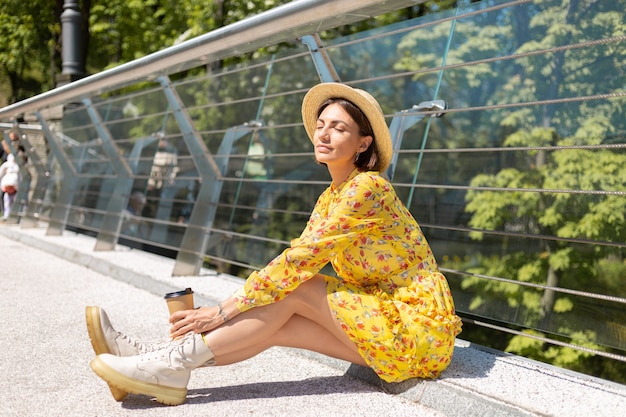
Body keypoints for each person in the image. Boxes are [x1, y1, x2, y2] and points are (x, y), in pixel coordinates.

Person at [86, 83, 462, 406]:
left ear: (363, 143)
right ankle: (162, 362)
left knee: (298, 286)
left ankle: (164, 364)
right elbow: (294, 257)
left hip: (416, 328)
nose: (324, 134)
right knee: (278, 324)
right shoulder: (333, 195)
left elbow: (300, 263)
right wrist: (233, 309)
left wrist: (222, 311)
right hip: (386, 323)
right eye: (321, 125)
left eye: (339, 128)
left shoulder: (368, 188)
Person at [0, 153, 20, 220]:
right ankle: (7, 215)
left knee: (15, 201)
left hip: (15, 187)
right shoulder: (6, 165)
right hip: (7, 187)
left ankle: (15, 215)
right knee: (7, 203)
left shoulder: (18, 166)